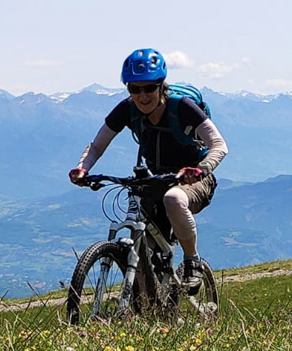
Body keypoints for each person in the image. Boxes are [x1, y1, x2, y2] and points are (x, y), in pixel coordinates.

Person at [69, 48, 228, 289]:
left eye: (149, 88)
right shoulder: (127, 109)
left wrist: (201, 169)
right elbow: (97, 145)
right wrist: (82, 168)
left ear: (161, 85)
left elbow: (219, 145)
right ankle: (153, 307)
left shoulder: (182, 107)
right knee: (142, 248)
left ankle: (192, 261)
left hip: (193, 178)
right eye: (134, 89)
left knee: (173, 199)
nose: (142, 96)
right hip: (155, 179)